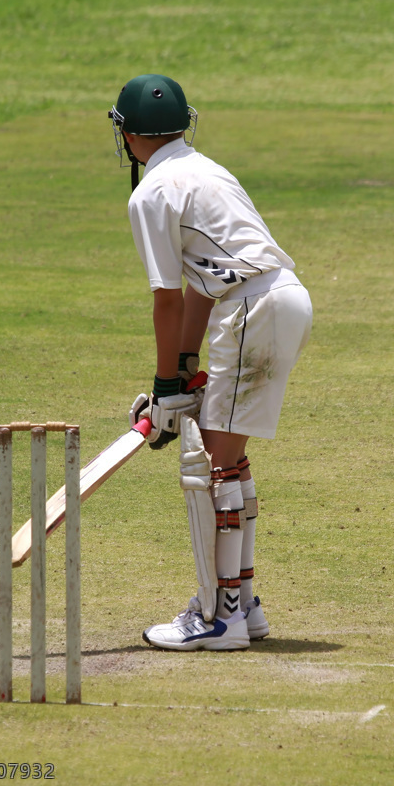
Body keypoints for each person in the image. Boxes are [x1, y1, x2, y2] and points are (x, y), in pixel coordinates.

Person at [108, 74, 312, 651]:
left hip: (251, 308)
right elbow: (201, 285)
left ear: (126, 135)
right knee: (230, 461)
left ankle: (218, 619)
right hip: (283, 298)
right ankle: (244, 607)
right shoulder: (208, 168)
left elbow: (167, 298)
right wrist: (181, 374)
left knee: (209, 470)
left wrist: (163, 382)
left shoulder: (150, 193)